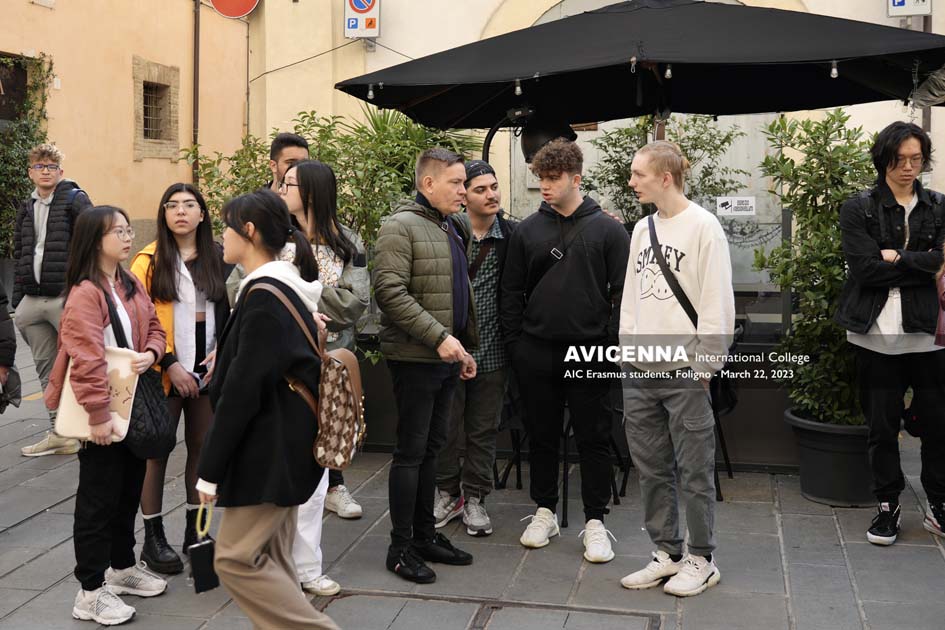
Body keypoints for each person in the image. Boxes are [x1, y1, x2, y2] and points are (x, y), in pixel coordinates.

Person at [196, 190, 338, 630]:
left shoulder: (264, 296)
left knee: (235, 558)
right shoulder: (281, 288)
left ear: (249, 231)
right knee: (273, 558)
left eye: (226, 227)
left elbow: (242, 392)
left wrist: (209, 471)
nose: (221, 237)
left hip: (269, 451)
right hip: (284, 446)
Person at [500, 139, 630, 562]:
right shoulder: (526, 231)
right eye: (541, 178)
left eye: (553, 178)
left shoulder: (608, 230)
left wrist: (609, 344)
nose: (545, 186)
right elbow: (510, 292)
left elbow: (623, 294)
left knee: (595, 437)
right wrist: (517, 345)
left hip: (591, 350)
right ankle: (544, 511)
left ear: (576, 179)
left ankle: (596, 521)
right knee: (542, 436)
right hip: (536, 350)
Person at [618, 141, 734, 597]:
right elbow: (631, 297)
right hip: (640, 370)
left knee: (695, 471)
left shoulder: (704, 227)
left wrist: (705, 366)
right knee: (650, 468)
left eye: (638, 174)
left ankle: (702, 558)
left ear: (665, 178)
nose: (632, 181)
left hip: (685, 370)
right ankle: (666, 553)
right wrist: (627, 353)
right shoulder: (641, 228)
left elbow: (717, 302)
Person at [44, 206, 169, 625]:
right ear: (95, 240)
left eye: (129, 229)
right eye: (118, 231)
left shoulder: (128, 281)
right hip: (102, 408)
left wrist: (151, 352)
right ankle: (90, 591)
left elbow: (155, 326)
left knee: (128, 489)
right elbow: (86, 359)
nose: (128, 236)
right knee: (98, 500)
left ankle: (122, 566)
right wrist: (98, 415)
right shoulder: (85, 292)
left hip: (130, 403)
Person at [836, 121, 945, 545]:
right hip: (875, 336)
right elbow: (864, 270)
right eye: (900, 159)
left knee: (938, 424)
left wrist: (897, 257)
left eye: (916, 159)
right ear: (883, 159)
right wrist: (923, 263)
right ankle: (887, 504)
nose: (908, 167)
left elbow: (942, 262)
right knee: (881, 427)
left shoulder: (938, 206)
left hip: (928, 334)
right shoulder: (859, 208)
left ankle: (938, 502)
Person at [374, 147, 478, 583]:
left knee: (432, 451)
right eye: (456, 183)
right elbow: (389, 292)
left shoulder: (452, 225)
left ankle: (423, 536)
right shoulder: (399, 227)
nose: (464, 191)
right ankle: (399, 549)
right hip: (415, 359)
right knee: (411, 453)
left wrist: (463, 348)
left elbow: (457, 291)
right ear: (428, 183)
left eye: (464, 182)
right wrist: (439, 338)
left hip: (446, 358)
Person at [129, 184, 231, 574]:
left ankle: (197, 532)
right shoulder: (148, 261)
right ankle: (153, 539)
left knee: (203, 450)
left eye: (189, 205)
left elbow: (234, 309)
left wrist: (224, 352)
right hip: (163, 371)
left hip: (209, 368)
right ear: (164, 214)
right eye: (172, 205)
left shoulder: (220, 257)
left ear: (202, 214)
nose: (181, 211)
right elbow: (139, 319)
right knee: (156, 451)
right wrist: (170, 362)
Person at [279, 159, 369, 595]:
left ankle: (307, 565)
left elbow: (355, 304)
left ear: (313, 191)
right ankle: (273, 563)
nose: (281, 189)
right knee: (278, 467)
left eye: (290, 184)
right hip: (279, 367)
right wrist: (310, 298)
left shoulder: (347, 241)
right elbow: (243, 289)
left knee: (317, 472)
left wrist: (295, 293)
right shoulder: (273, 234)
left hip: (328, 367)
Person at [434, 160, 517, 537]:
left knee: (483, 430)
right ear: (463, 195)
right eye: (480, 189)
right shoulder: (447, 231)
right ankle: (448, 493)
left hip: (493, 351)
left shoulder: (512, 236)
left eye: (494, 187)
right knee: (446, 428)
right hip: (450, 348)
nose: (491, 195)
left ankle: (476, 498)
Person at [16, 143, 92, 457]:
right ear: (30, 172)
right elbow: (21, 250)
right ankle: (60, 433)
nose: (45, 171)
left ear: (60, 171)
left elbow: (93, 243)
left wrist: (82, 292)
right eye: (39, 166)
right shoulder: (26, 206)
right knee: (46, 367)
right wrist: (19, 299)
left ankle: (93, 426)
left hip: (65, 297)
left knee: (82, 362)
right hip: (33, 300)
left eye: (50, 166)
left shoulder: (75, 200)